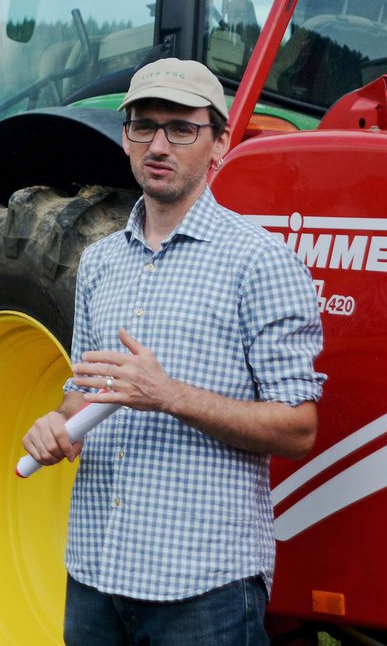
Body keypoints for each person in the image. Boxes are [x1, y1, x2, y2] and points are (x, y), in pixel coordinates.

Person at [21, 59, 325, 645]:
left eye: (182, 128)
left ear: (219, 144)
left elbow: (298, 428)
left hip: (202, 590)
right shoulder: (99, 262)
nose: (158, 145)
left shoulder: (261, 262)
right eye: (144, 126)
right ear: (126, 137)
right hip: (96, 572)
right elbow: (83, 394)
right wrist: (57, 426)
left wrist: (170, 396)